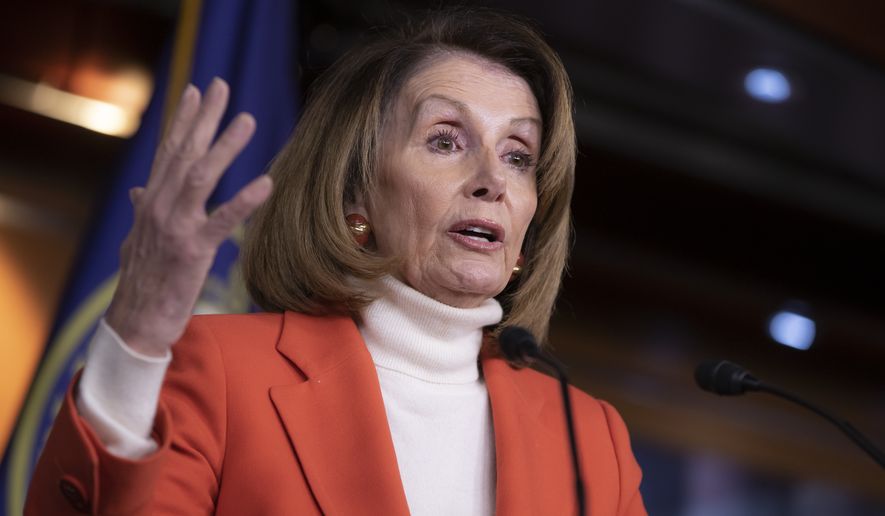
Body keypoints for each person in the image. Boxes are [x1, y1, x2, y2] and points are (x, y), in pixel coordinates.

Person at [26, 8, 645, 515]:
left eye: (518, 154)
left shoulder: (591, 440)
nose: (492, 180)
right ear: (357, 194)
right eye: (445, 140)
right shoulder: (222, 372)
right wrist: (134, 340)